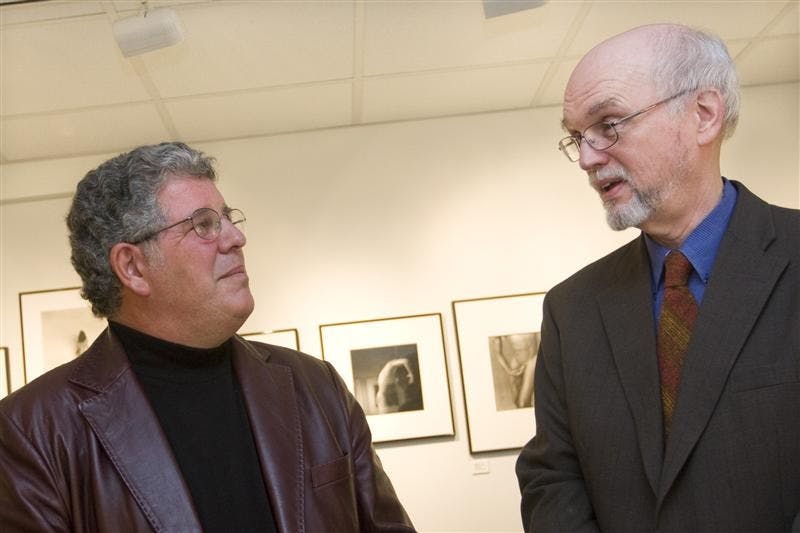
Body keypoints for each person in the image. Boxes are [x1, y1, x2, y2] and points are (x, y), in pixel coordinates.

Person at [0, 142, 415, 533]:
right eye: (203, 225)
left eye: (228, 217)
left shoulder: (316, 387)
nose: (236, 238)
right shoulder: (32, 430)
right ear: (133, 267)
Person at [515, 24, 799, 532]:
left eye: (609, 123)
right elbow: (552, 477)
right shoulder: (572, 308)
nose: (586, 157)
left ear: (704, 114)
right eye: (578, 136)